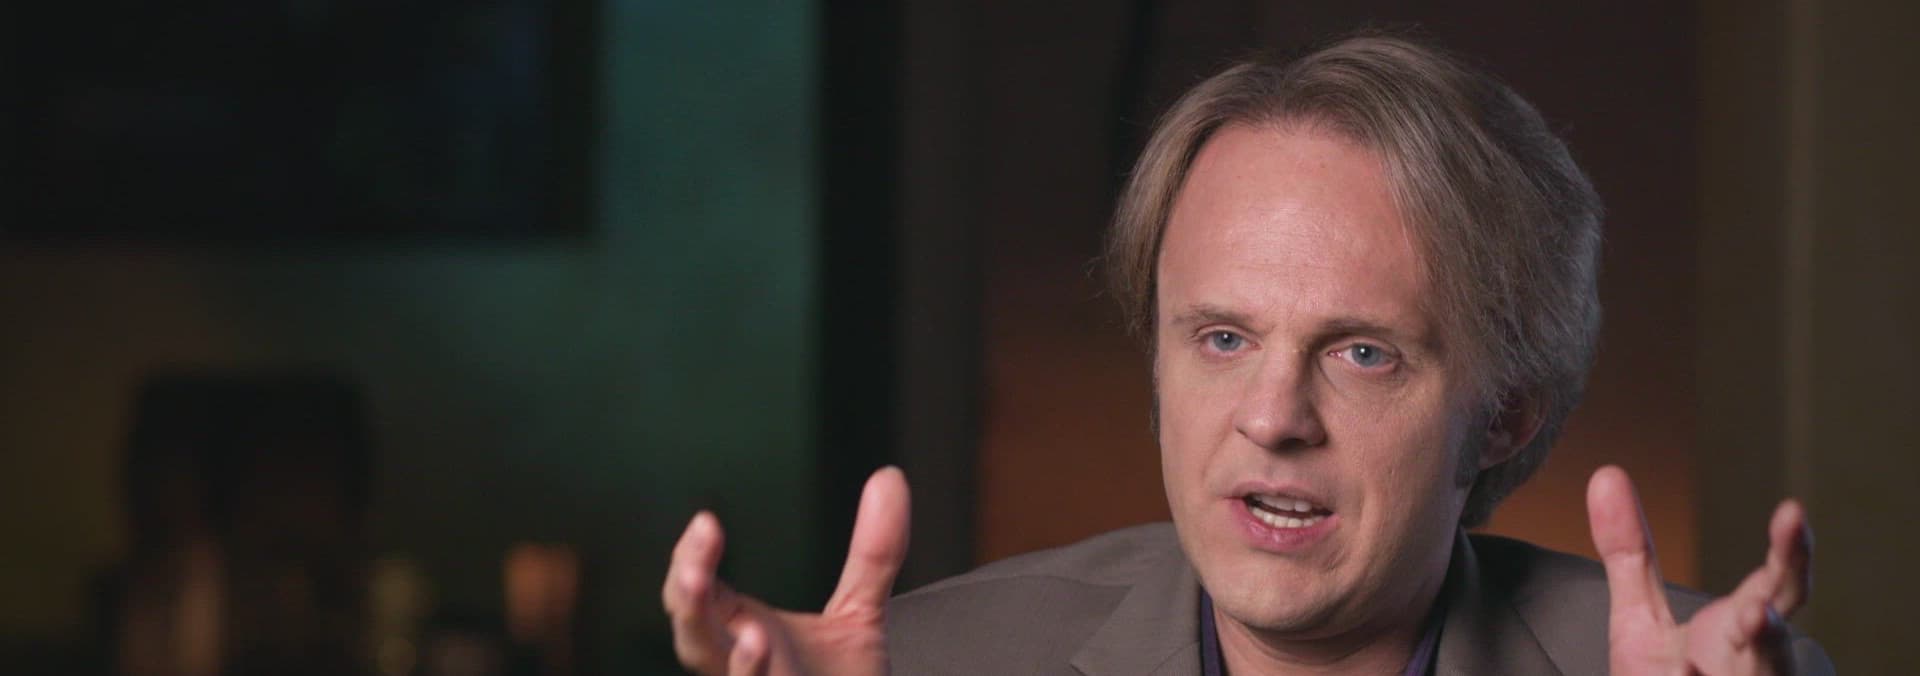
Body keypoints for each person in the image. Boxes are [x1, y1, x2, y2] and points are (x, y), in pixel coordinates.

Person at [662, 35, 1833, 675]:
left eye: (1363, 353)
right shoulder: (923, 667)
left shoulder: (1703, 670)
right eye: (1222, 337)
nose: (1273, 415)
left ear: (1506, 414)